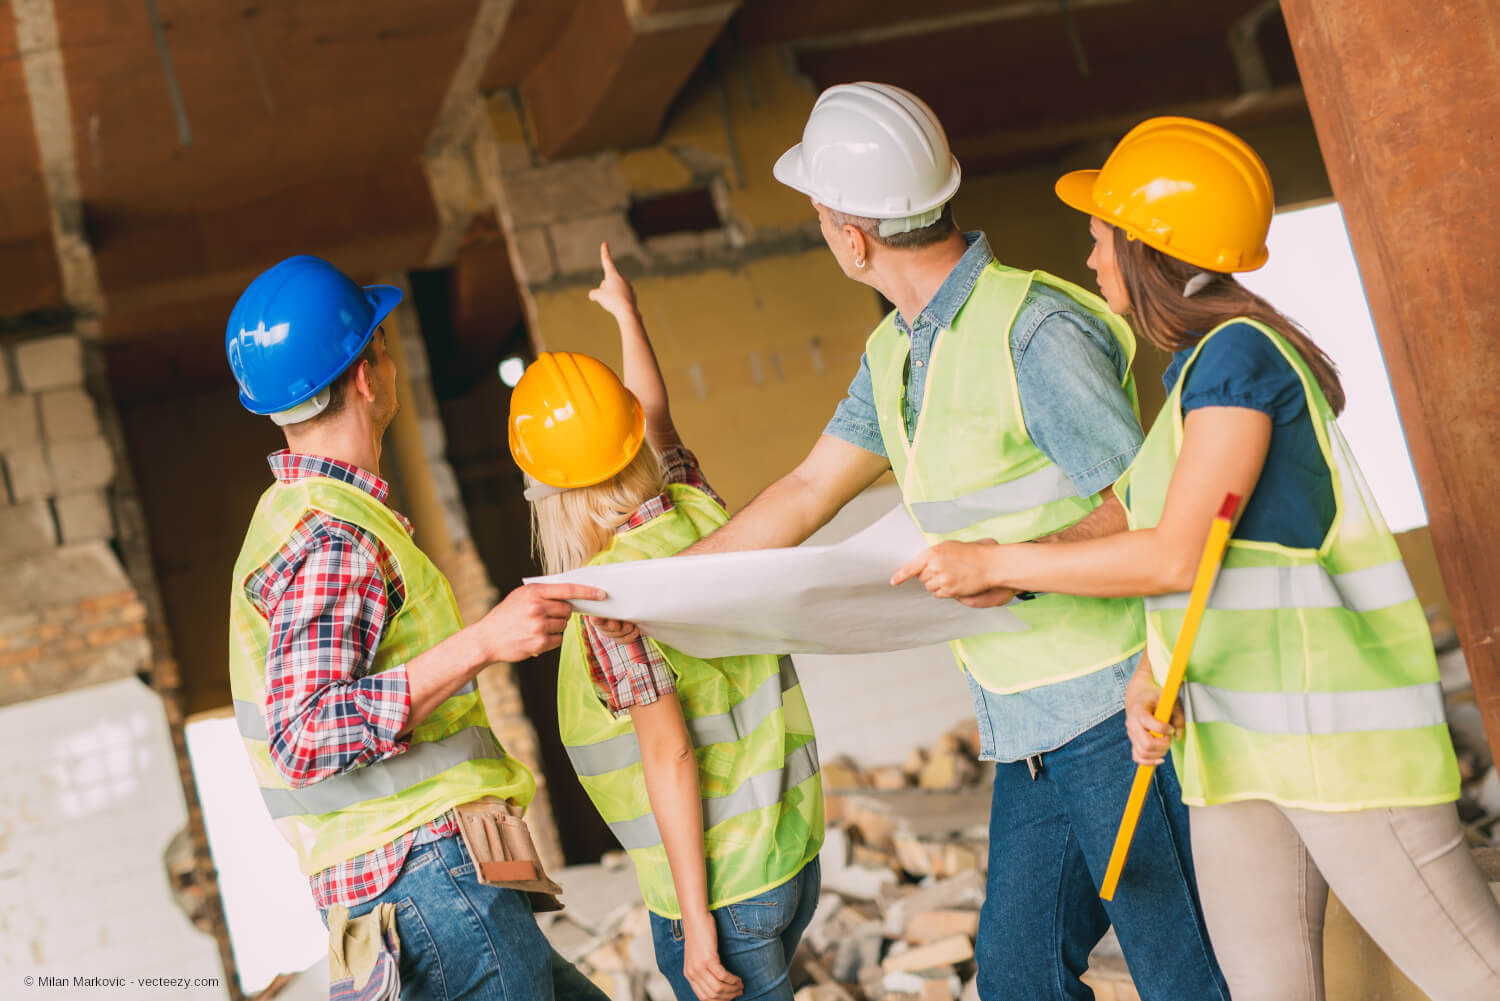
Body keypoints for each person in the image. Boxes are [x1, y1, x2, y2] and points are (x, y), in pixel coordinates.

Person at [601, 84, 1228, 999]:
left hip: (1116, 711)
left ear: (852, 237)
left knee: (1185, 975)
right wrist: (654, 592)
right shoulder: (898, 352)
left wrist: (1008, 572)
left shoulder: (1033, 330)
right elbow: (809, 488)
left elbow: (1149, 505)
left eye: (820, 216)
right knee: (1017, 982)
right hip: (1027, 730)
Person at [895, 116, 1500, 1001]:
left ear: (1150, 249)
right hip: (1239, 746)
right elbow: (1223, 557)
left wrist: (996, 562)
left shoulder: (1239, 363)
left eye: (1101, 241)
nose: (1093, 261)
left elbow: (1176, 553)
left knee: (1471, 971)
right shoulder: (1191, 376)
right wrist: (1149, 669)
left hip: (1335, 744)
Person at [225, 255, 609, 1001]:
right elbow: (305, 734)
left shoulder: (303, 520)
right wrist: (485, 643)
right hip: (427, 881)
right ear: (368, 375)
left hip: (414, 886)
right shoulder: (333, 539)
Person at [512, 244, 823, 1001]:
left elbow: (670, 752)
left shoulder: (611, 600)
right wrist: (627, 314)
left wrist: (695, 921)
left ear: (553, 499)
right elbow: (657, 420)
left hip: (721, 890)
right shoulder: (694, 509)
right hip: (792, 852)